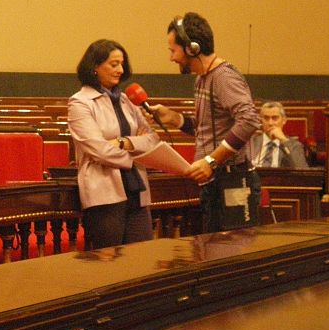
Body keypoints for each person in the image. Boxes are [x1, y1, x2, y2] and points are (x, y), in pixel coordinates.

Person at [149, 13, 261, 233]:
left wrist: (210, 161)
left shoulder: (222, 77)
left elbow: (249, 120)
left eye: (173, 50)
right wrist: (174, 118)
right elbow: (209, 130)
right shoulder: (202, 79)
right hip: (216, 181)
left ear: (193, 48)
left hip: (233, 181)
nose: (172, 58)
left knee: (231, 257)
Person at [68, 39, 161, 250]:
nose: (120, 69)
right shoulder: (80, 103)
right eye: (113, 64)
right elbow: (99, 150)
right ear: (94, 66)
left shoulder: (128, 100)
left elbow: (153, 138)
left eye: (122, 64)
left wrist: (124, 142)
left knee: (141, 260)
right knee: (110, 266)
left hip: (136, 191)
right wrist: (138, 155)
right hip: (104, 195)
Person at [250, 101, 310, 168]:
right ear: (261, 120)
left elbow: (301, 169)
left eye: (275, 118)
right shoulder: (252, 143)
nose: (270, 123)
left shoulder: (295, 145)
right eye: (266, 118)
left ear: (284, 120)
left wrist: (283, 140)